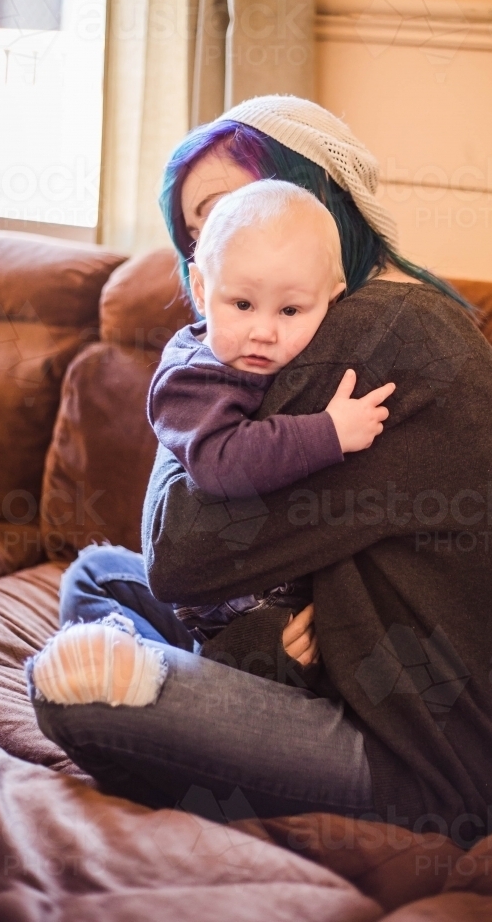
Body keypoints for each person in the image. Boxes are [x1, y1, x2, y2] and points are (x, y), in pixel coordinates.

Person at [29, 95, 492, 841]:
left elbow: (179, 555)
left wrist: (189, 364)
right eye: (198, 233)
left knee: (70, 693)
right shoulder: (346, 321)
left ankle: (198, 690)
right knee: (101, 573)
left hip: (418, 762)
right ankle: (222, 673)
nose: (223, 238)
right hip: (320, 667)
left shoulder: (372, 334)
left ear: (313, 198)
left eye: (233, 204)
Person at [149, 179, 395, 644]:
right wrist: (329, 433)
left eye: (290, 310)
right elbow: (223, 462)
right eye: (241, 304)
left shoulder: (305, 352)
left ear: (332, 303)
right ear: (201, 290)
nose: (263, 331)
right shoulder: (191, 380)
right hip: (224, 602)